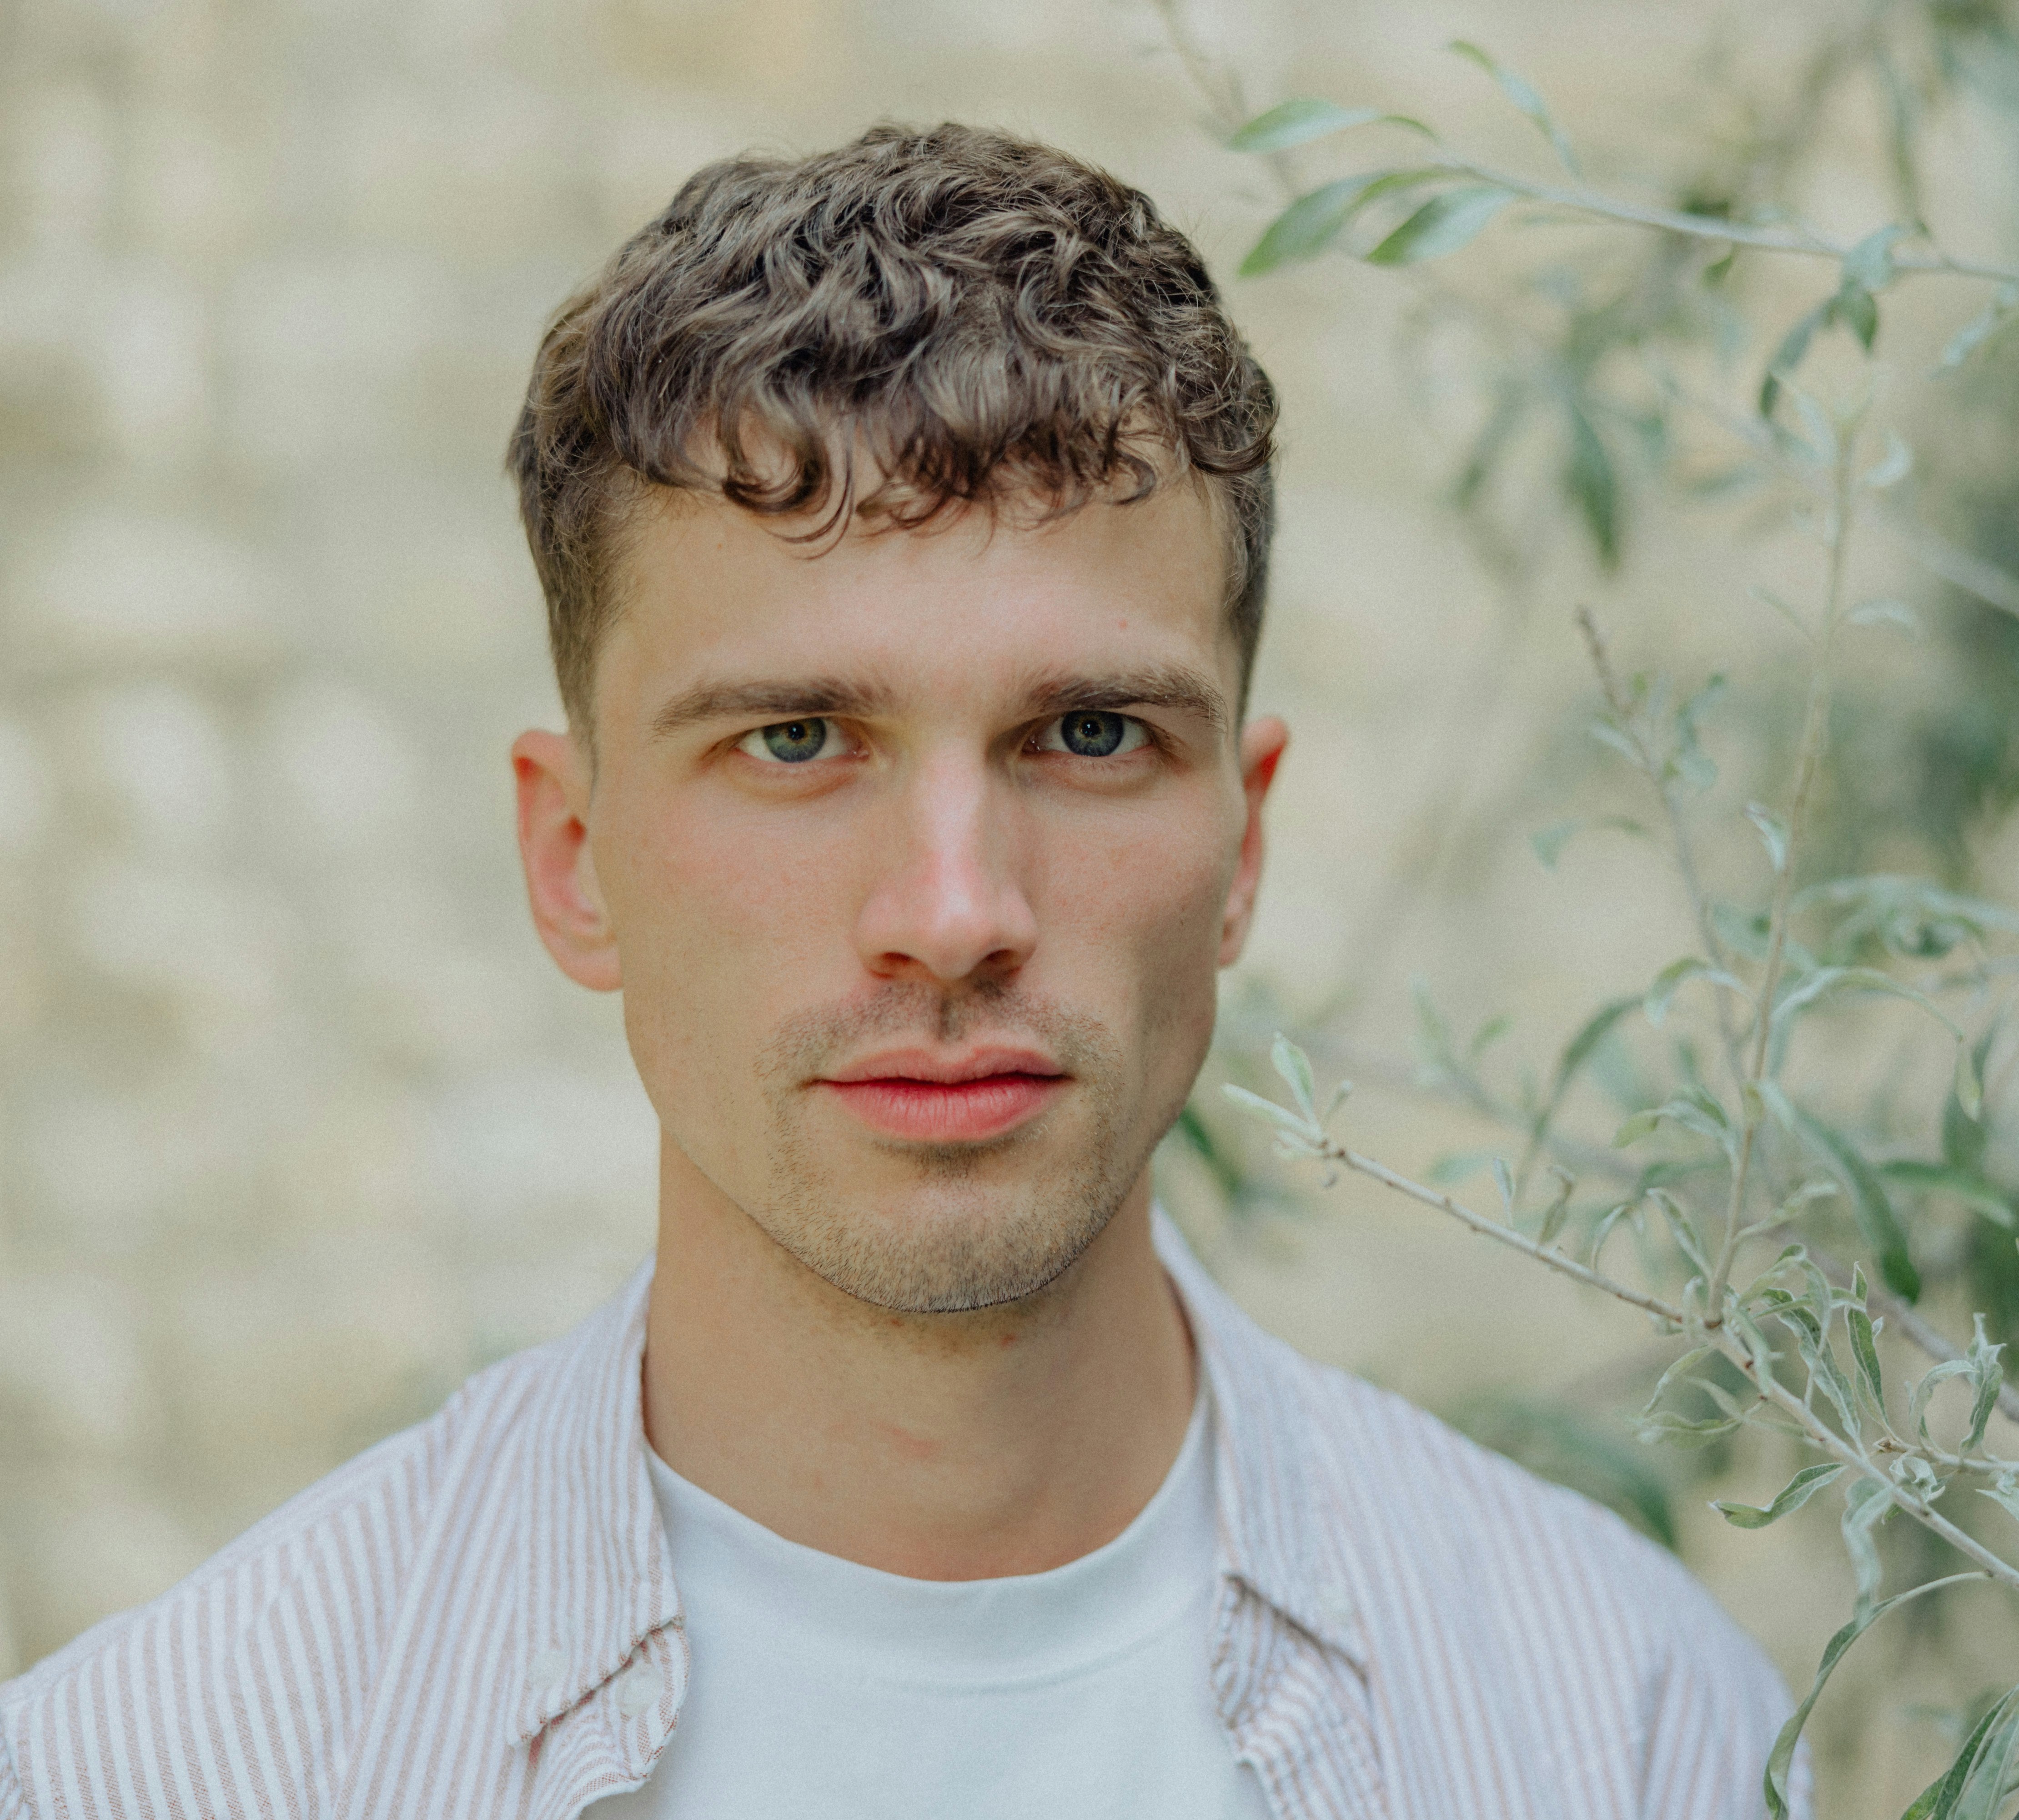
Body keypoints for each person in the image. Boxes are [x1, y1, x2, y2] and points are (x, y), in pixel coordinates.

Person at [0, 122, 1798, 1820]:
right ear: (573, 860)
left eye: (1088, 732)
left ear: (1243, 846)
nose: (953, 910)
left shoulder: (1623, 1726)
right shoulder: (165, 1767)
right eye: (794, 740)